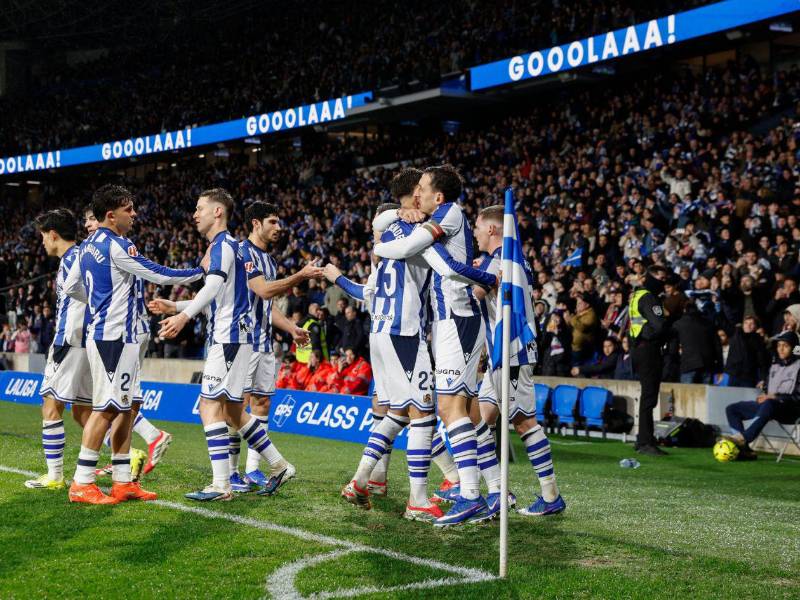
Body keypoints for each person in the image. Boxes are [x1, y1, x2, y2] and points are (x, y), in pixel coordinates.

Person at [153, 188, 307, 501]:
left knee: (210, 406)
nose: (194, 214)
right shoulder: (231, 248)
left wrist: (184, 317)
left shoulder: (224, 245)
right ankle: (278, 465)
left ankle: (221, 484)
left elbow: (210, 288)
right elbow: (218, 295)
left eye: (200, 208)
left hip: (230, 337)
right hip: (239, 336)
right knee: (235, 410)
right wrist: (177, 307)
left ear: (218, 212)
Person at [372, 164, 498, 526]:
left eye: (423, 189)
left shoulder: (449, 213)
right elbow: (382, 224)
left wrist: (383, 247)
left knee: (448, 410)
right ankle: (495, 490)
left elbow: (409, 246)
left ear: (438, 196)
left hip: (455, 319)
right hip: (452, 321)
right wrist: (398, 215)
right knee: (466, 414)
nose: (419, 196)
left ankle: (470, 495)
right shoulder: (440, 214)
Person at [63, 184, 204, 504]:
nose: (135, 213)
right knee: (109, 407)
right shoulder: (117, 244)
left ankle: (123, 479)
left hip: (109, 335)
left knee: (128, 406)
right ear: (111, 216)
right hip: (116, 338)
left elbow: (72, 287)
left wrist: (100, 301)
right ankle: (82, 482)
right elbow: (158, 274)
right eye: (129, 209)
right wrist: (201, 271)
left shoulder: (85, 247)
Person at [473, 204, 566, 517]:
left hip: (511, 353)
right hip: (501, 357)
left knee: (524, 422)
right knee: (478, 421)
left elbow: (475, 292)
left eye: (477, 227)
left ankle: (550, 495)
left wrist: (464, 271)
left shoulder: (499, 261)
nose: (474, 232)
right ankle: (500, 490)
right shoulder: (513, 259)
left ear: (492, 229)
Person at [229, 201, 323, 492]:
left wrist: (292, 328)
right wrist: (301, 276)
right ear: (256, 223)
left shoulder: (268, 260)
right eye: (273, 221)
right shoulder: (242, 252)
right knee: (236, 406)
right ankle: (231, 473)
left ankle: (254, 470)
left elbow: (267, 306)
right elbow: (263, 289)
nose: (278, 228)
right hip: (243, 341)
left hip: (264, 341)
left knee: (262, 403)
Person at [24, 209, 93, 490]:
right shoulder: (85, 257)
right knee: (85, 411)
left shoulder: (71, 261)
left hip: (69, 342)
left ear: (54, 235)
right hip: (88, 343)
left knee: (51, 407)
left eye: (43, 236)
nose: (42, 242)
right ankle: (125, 455)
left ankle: (54, 476)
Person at [724, 330, 800, 460]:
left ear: (794, 348)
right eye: (779, 345)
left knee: (769, 403)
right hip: (770, 406)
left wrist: (774, 397)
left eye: (785, 345)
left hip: (791, 410)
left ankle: (743, 438)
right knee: (732, 409)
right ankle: (744, 450)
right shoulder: (775, 365)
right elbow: (769, 389)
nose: (780, 349)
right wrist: (764, 389)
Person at [628, 265, 669, 456]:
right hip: (649, 350)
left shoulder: (636, 296)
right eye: (661, 277)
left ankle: (642, 439)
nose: (664, 282)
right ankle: (646, 442)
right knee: (649, 397)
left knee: (647, 397)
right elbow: (659, 325)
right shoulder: (649, 297)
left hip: (639, 349)